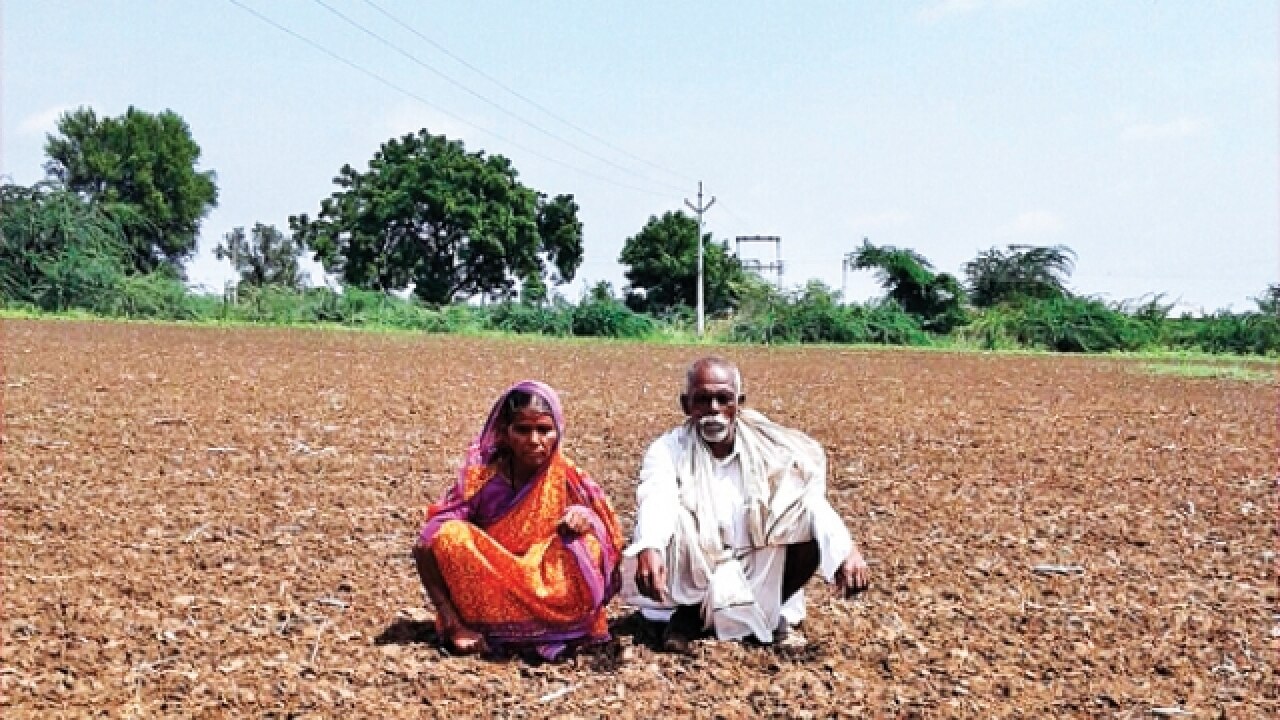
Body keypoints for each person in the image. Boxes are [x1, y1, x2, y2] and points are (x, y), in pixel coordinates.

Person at [621, 357, 870, 651]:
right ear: (686, 405)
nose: (713, 409)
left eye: (722, 399)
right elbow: (656, 496)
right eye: (702, 400)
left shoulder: (771, 448)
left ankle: (769, 614)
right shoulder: (667, 450)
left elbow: (810, 503)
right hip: (695, 570)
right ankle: (690, 614)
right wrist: (650, 545)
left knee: (802, 514)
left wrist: (846, 551)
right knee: (665, 522)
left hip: (761, 567)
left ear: (739, 403)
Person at [413, 380, 624, 660]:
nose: (534, 440)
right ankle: (474, 629)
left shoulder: (568, 477)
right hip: (495, 586)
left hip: (546, 586)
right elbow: (426, 543)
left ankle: (555, 628)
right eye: (523, 430)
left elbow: (608, 533)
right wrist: (451, 621)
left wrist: (583, 518)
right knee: (451, 536)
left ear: (557, 431)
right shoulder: (482, 479)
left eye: (544, 430)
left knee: (587, 544)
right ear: (505, 432)